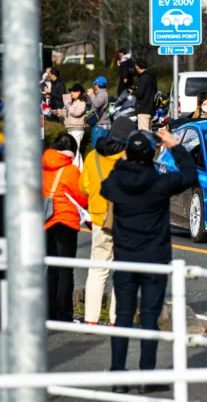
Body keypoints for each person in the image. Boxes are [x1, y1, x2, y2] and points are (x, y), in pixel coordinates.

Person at [101, 129, 197, 393]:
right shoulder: (159, 183)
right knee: (149, 317)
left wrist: (125, 156)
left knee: (123, 316)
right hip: (154, 257)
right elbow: (190, 174)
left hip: (125, 257)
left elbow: (105, 186)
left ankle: (118, 375)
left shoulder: (117, 181)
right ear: (152, 154)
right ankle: (147, 374)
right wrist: (174, 146)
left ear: (128, 154)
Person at [80, 117, 136, 326]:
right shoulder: (131, 158)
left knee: (97, 269)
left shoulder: (92, 156)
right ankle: (117, 321)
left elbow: (83, 187)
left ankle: (91, 319)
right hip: (125, 220)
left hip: (99, 219)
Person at [43, 132, 89, 322]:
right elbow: (82, 197)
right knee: (65, 269)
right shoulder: (71, 171)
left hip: (46, 220)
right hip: (66, 222)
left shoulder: (43, 167)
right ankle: (63, 313)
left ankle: (48, 311)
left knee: (52, 267)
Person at [53, 83, 87, 171]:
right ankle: (80, 170)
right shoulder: (72, 103)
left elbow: (76, 113)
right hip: (71, 128)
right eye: (71, 91)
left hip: (77, 129)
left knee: (74, 150)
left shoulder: (82, 103)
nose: (71, 93)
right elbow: (67, 113)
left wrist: (68, 105)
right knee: (76, 150)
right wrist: (58, 112)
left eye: (73, 91)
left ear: (79, 92)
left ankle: (74, 170)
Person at [132, 60, 157, 131]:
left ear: (137, 67)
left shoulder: (143, 78)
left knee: (144, 133)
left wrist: (133, 92)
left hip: (143, 109)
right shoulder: (152, 76)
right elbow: (154, 90)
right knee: (149, 132)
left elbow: (140, 93)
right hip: (151, 109)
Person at [88, 76, 111, 150]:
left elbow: (97, 104)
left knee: (96, 148)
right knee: (102, 149)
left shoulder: (102, 94)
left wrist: (91, 94)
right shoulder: (104, 93)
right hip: (103, 124)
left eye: (95, 84)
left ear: (98, 85)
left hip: (100, 125)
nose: (94, 86)